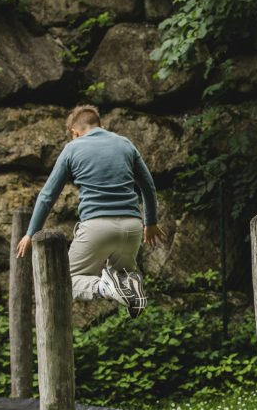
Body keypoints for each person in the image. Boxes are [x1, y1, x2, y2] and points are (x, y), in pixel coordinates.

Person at [16, 104, 165, 318]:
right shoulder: (125, 144)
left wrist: (31, 233)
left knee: (64, 279)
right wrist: (150, 222)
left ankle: (105, 287)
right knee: (122, 276)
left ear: (74, 133)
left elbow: (48, 196)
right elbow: (148, 187)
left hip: (97, 227)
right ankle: (126, 281)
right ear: (99, 125)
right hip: (132, 227)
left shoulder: (72, 148)